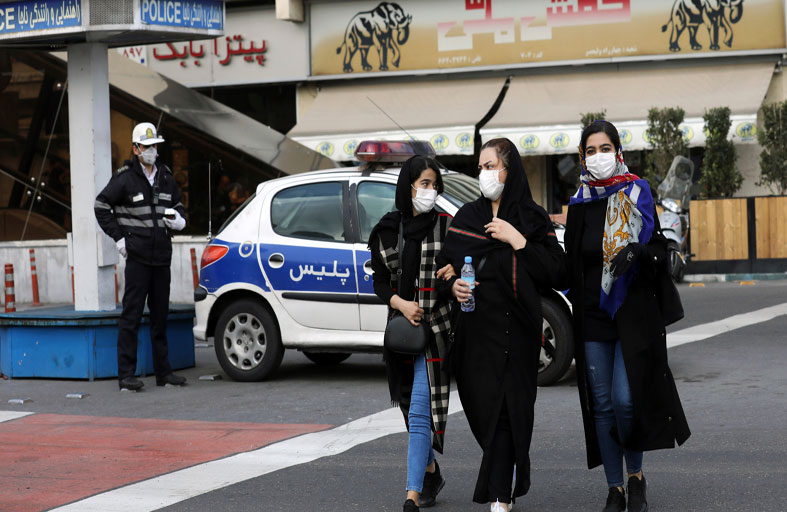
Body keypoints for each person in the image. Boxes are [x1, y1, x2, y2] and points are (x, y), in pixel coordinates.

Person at [563, 120, 690, 512]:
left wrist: (638, 252)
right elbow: (570, 263)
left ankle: (636, 476)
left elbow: (658, 251)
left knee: (624, 399)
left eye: (605, 149)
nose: (598, 156)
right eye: (590, 150)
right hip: (592, 316)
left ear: (618, 152)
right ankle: (615, 488)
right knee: (602, 405)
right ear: (582, 157)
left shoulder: (637, 191)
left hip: (633, 314)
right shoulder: (579, 202)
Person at [438, 138, 565, 511]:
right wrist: (453, 285)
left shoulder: (532, 218)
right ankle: (502, 478)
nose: (484, 174)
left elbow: (557, 272)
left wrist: (518, 240)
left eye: (490, 166)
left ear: (510, 171)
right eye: (480, 167)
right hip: (476, 335)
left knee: (510, 412)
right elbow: (444, 267)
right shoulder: (468, 217)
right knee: (484, 412)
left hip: (518, 332)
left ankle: (499, 498)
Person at [368, 155, 454, 512]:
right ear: (409, 187)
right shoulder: (388, 230)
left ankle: (411, 496)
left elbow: (459, 276)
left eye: (435, 184)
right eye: (424, 184)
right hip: (402, 333)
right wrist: (402, 304)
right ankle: (430, 471)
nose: (430, 191)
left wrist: (453, 276)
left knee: (419, 412)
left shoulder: (448, 227)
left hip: (435, 333)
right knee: (407, 407)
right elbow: (379, 282)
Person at [94, 122, 188, 392]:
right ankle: (126, 375)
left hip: (162, 257)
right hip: (137, 258)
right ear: (135, 149)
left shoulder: (166, 176)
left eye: (154, 146)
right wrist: (119, 238)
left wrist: (179, 220)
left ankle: (164, 373)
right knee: (131, 316)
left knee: (160, 317)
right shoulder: (124, 178)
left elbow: (178, 206)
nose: (151, 151)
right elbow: (101, 206)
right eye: (146, 146)